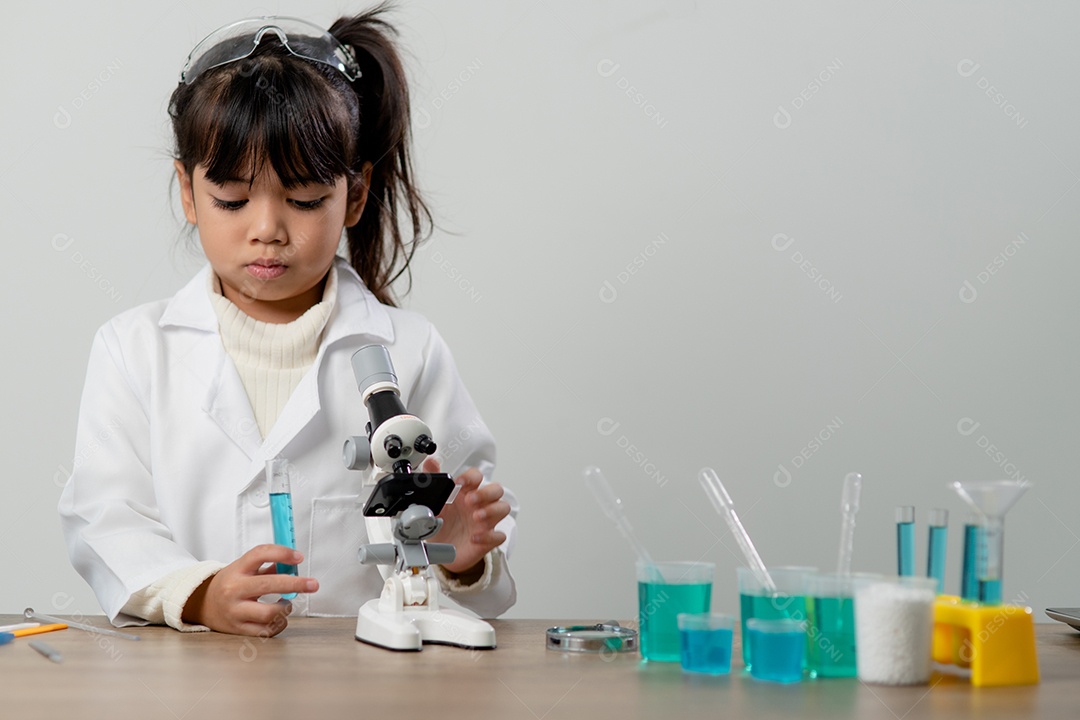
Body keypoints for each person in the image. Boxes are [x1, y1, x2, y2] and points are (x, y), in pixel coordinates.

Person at [58, 7, 517, 637]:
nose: (267, 230)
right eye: (231, 200)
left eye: (303, 200)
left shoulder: (410, 352)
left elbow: (469, 531)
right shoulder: (133, 350)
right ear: (188, 194)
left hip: (365, 684)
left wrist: (461, 561)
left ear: (354, 195)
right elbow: (105, 519)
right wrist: (199, 594)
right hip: (192, 685)